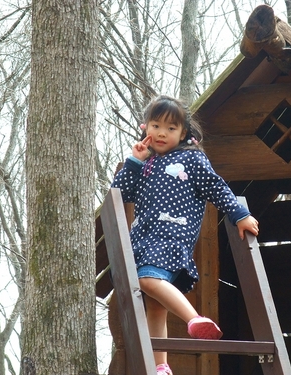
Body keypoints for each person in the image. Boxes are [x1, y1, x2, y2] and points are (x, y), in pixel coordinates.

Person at [111, 95, 259, 375]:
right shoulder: (144, 164)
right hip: (143, 241)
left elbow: (216, 186)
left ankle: (194, 320)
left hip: (170, 239)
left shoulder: (191, 160)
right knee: (155, 306)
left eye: (170, 128)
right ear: (145, 128)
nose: (162, 133)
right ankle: (162, 367)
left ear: (183, 133)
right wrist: (134, 160)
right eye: (156, 126)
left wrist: (239, 214)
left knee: (146, 279)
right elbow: (119, 194)